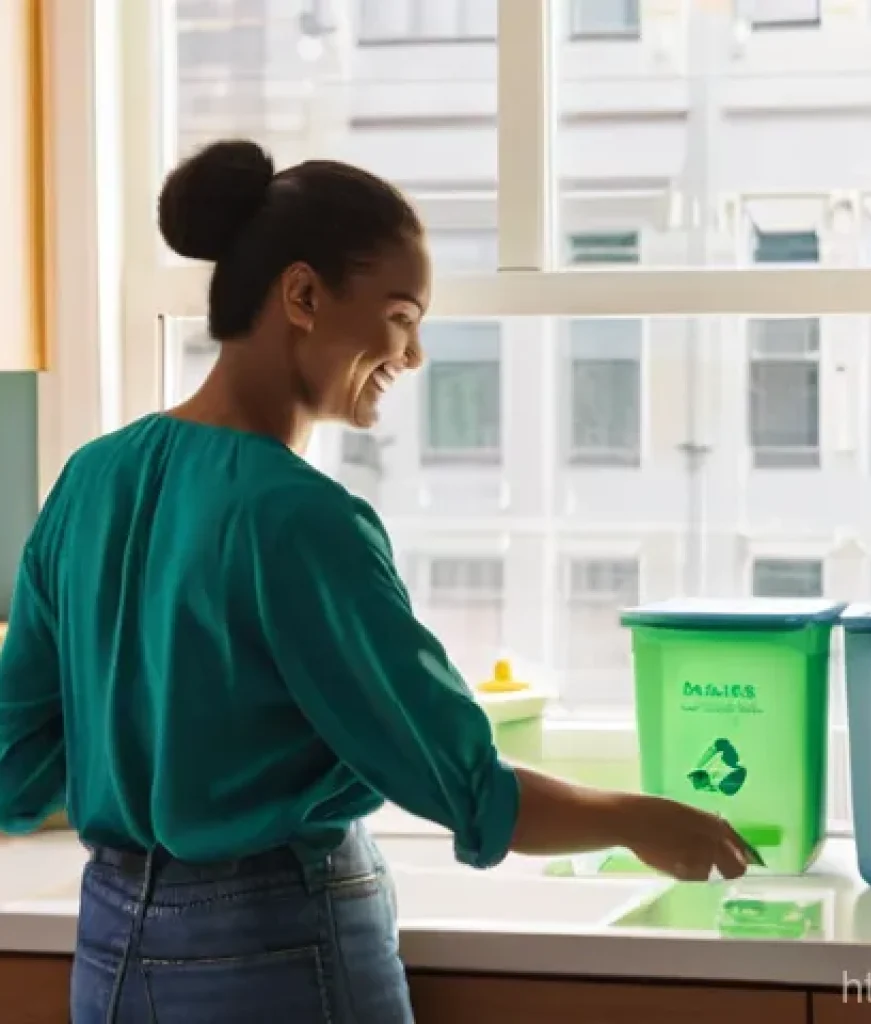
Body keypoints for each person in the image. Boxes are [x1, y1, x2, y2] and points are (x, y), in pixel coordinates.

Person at [0, 140, 751, 1023]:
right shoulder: (301, 518)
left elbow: (14, 768)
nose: (414, 353)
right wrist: (638, 818)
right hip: (272, 952)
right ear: (304, 296)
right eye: (401, 316)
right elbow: (466, 786)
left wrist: (141, 781)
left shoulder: (91, 480)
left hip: (108, 956)